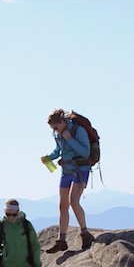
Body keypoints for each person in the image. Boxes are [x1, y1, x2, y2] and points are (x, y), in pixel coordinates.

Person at [42, 108, 93, 252]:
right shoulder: (59, 134)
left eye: (56, 127)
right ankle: (61, 240)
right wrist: (48, 158)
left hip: (80, 170)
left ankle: (85, 234)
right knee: (63, 205)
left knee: (74, 201)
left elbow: (85, 151)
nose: (55, 131)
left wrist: (69, 138)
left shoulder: (78, 130)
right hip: (66, 170)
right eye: (53, 129)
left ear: (62, 122)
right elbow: (58, 151)